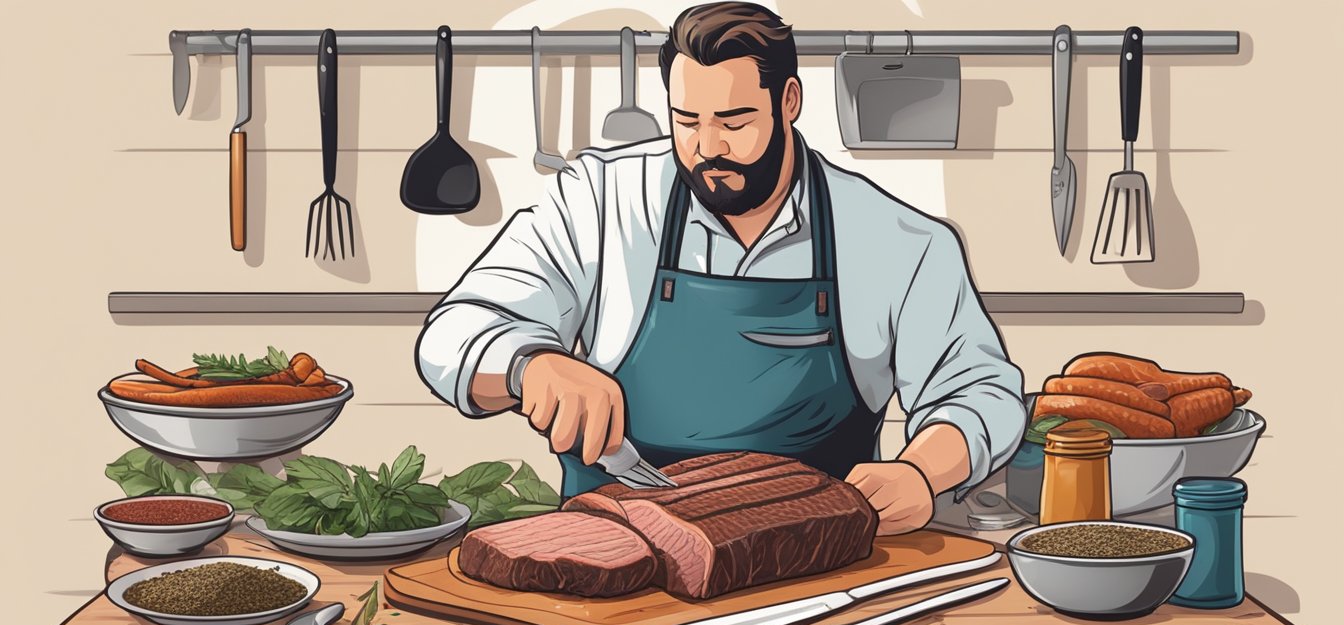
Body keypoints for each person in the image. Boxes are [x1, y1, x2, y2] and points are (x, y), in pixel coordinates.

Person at [416, 2, 1025, 535]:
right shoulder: (602, 198)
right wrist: (530, 364)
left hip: (815, 562)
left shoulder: (897, 240)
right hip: (615, 555)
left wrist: (922, 473)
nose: (708, 146)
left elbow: (980, 390)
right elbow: (452, 333)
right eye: (687, 121)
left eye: (734, 122)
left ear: (788, 101)